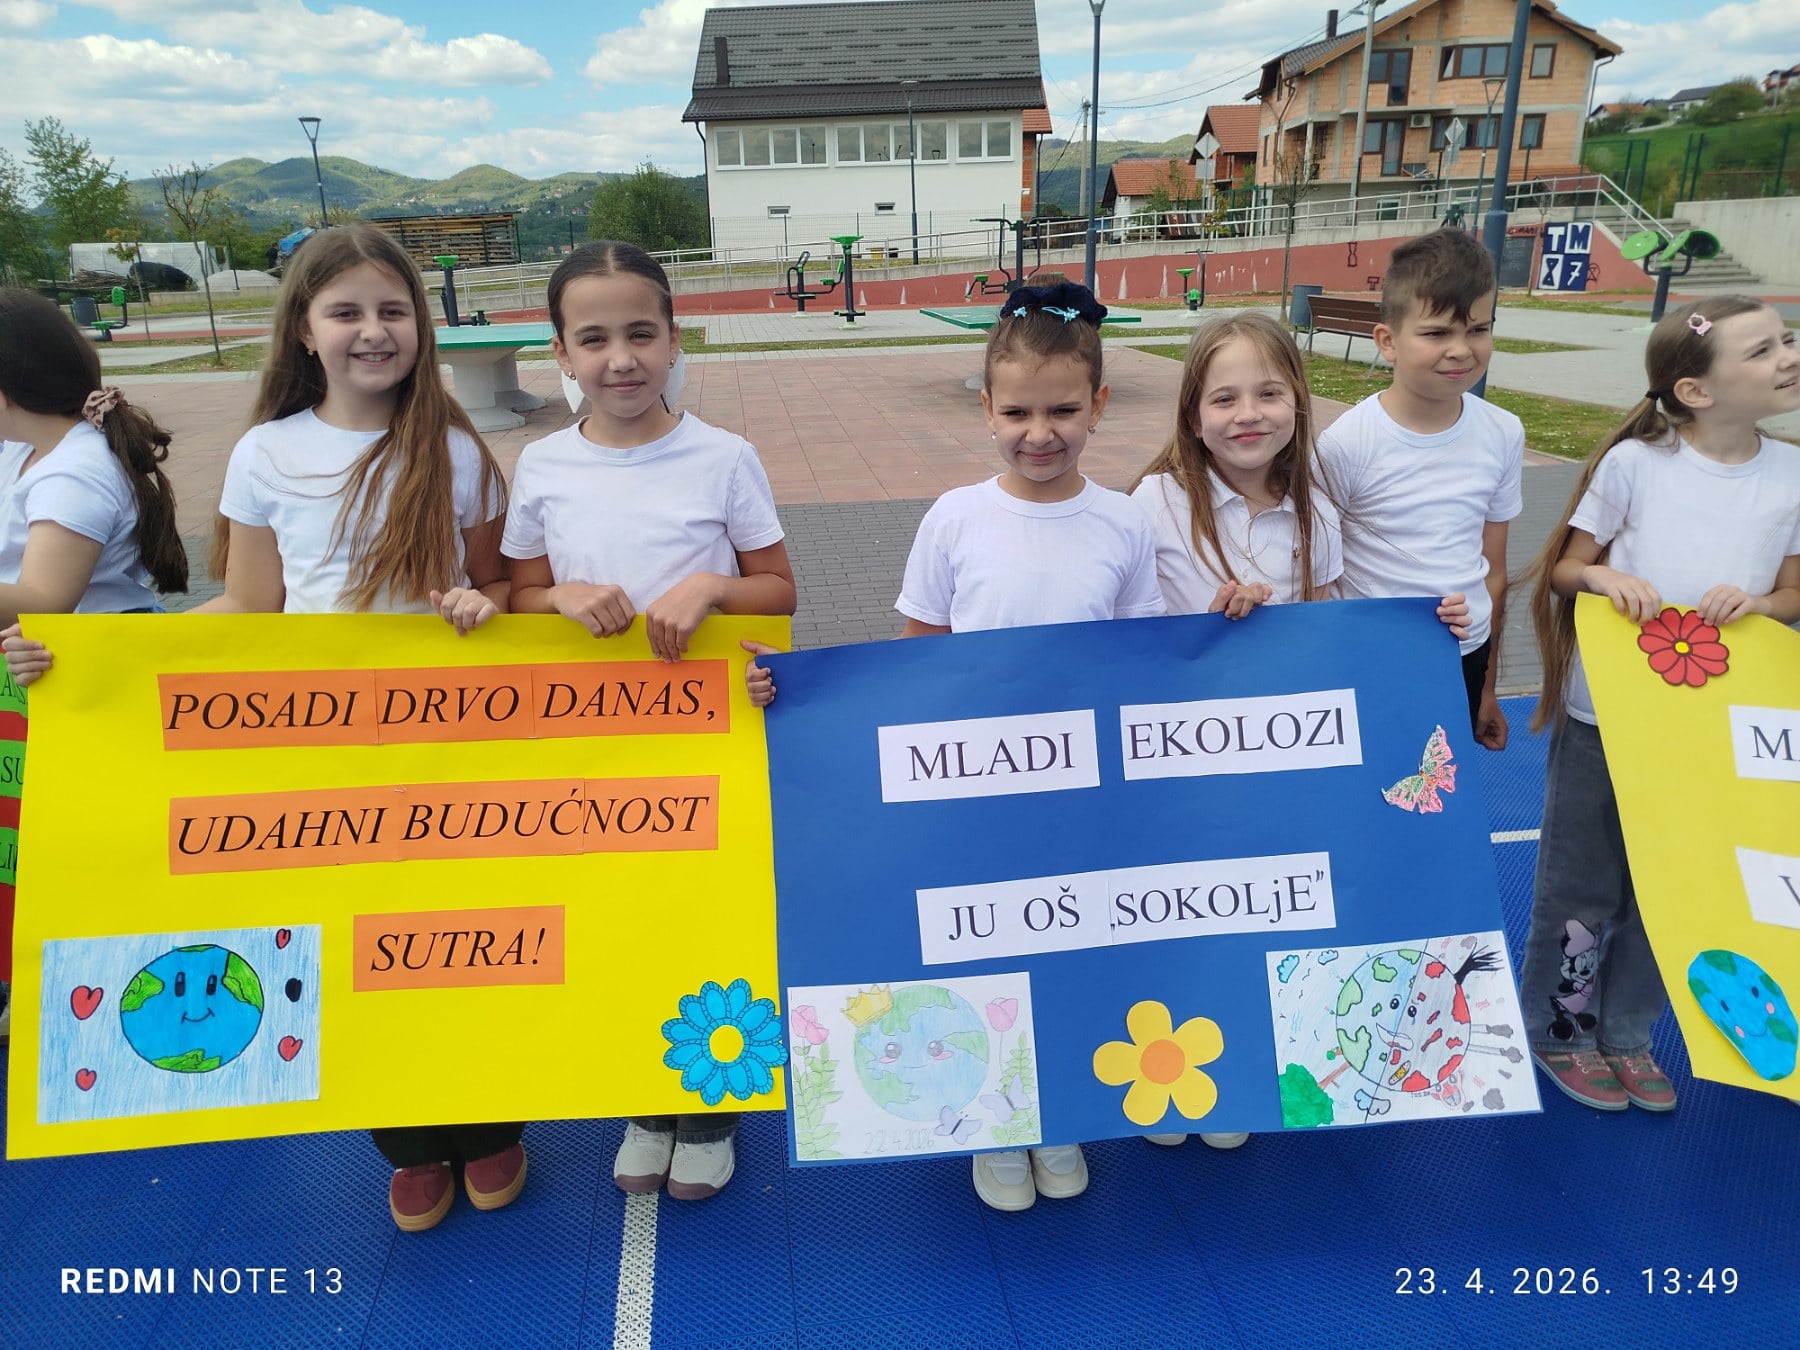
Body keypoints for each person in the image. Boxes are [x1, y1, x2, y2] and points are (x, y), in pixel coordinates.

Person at [4, 225, 515, 1232]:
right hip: (323, 760)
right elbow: (247, 605)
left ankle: (493, 1121)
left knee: (463, 946)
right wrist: (91, 659)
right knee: (359, 952)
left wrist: (481, 603)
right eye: (346, 311)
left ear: (421, 325)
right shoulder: (266, 453)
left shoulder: (457, 452)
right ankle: (408, 1138)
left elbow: (499, 584)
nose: (373, 330)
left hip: (450, 753)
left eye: (393, 310)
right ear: (305, 331)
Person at [760, 281, 1162, 1212]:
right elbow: (915, 657)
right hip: (975, 797)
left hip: (1082, 801)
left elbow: (1141, 661)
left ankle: (1058, 1110)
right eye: (1017, 412)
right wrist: (807, 699)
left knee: (1069, 951)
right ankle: (994, 1116)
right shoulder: (953, 517)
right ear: (986, 409)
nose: (1040, 432)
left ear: (1099, 404)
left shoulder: (1124, 521)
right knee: (984, 954)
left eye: (1063, 411)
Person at [451, 240, 795, 1201]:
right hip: (588, 753)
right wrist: (559, 596)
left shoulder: (724, 457)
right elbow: (520, 593)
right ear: (561, 353)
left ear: (674, 338)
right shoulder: (543, 464)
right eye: (594, 339)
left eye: (641, 333)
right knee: (619, 924)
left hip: (707, 747)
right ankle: (645, 1098)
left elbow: (778, 588)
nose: (621, 359)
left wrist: (711, 586)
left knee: (703, 923)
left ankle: (710, 1109)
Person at [1518, 296, 1800, 1112]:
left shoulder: (1790, 474)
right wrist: (1604, 576)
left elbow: (1792, 593)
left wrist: (1761, 605)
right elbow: (1567, 569)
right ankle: (1560, 1031)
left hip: (1714, 732)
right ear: (1696, 391)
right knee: (1581, 887)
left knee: (1673, 888)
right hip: (1607, 721)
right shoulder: (1636, 466)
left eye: (1785, 340)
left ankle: (1629, 1034)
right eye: (1761, 350)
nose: (1787, 356)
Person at [0, 287, 190, 1049]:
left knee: (76, 854)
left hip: (83, 690)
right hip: (43, 679)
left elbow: (45, 599)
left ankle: (70, 997)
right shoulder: (29, 451)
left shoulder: (71, 472)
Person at [1315, 228, 1521, 750]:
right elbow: (1318, 575)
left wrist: (1487, 688)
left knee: (1442, 786)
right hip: (1373, 662)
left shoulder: (1503, 432)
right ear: (1388, 341)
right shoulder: (1346, 444)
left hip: (1464, 656)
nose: (1461, 350)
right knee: (1377, 789)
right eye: (1436, 333)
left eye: (1478, 329)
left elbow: (1494, 571)